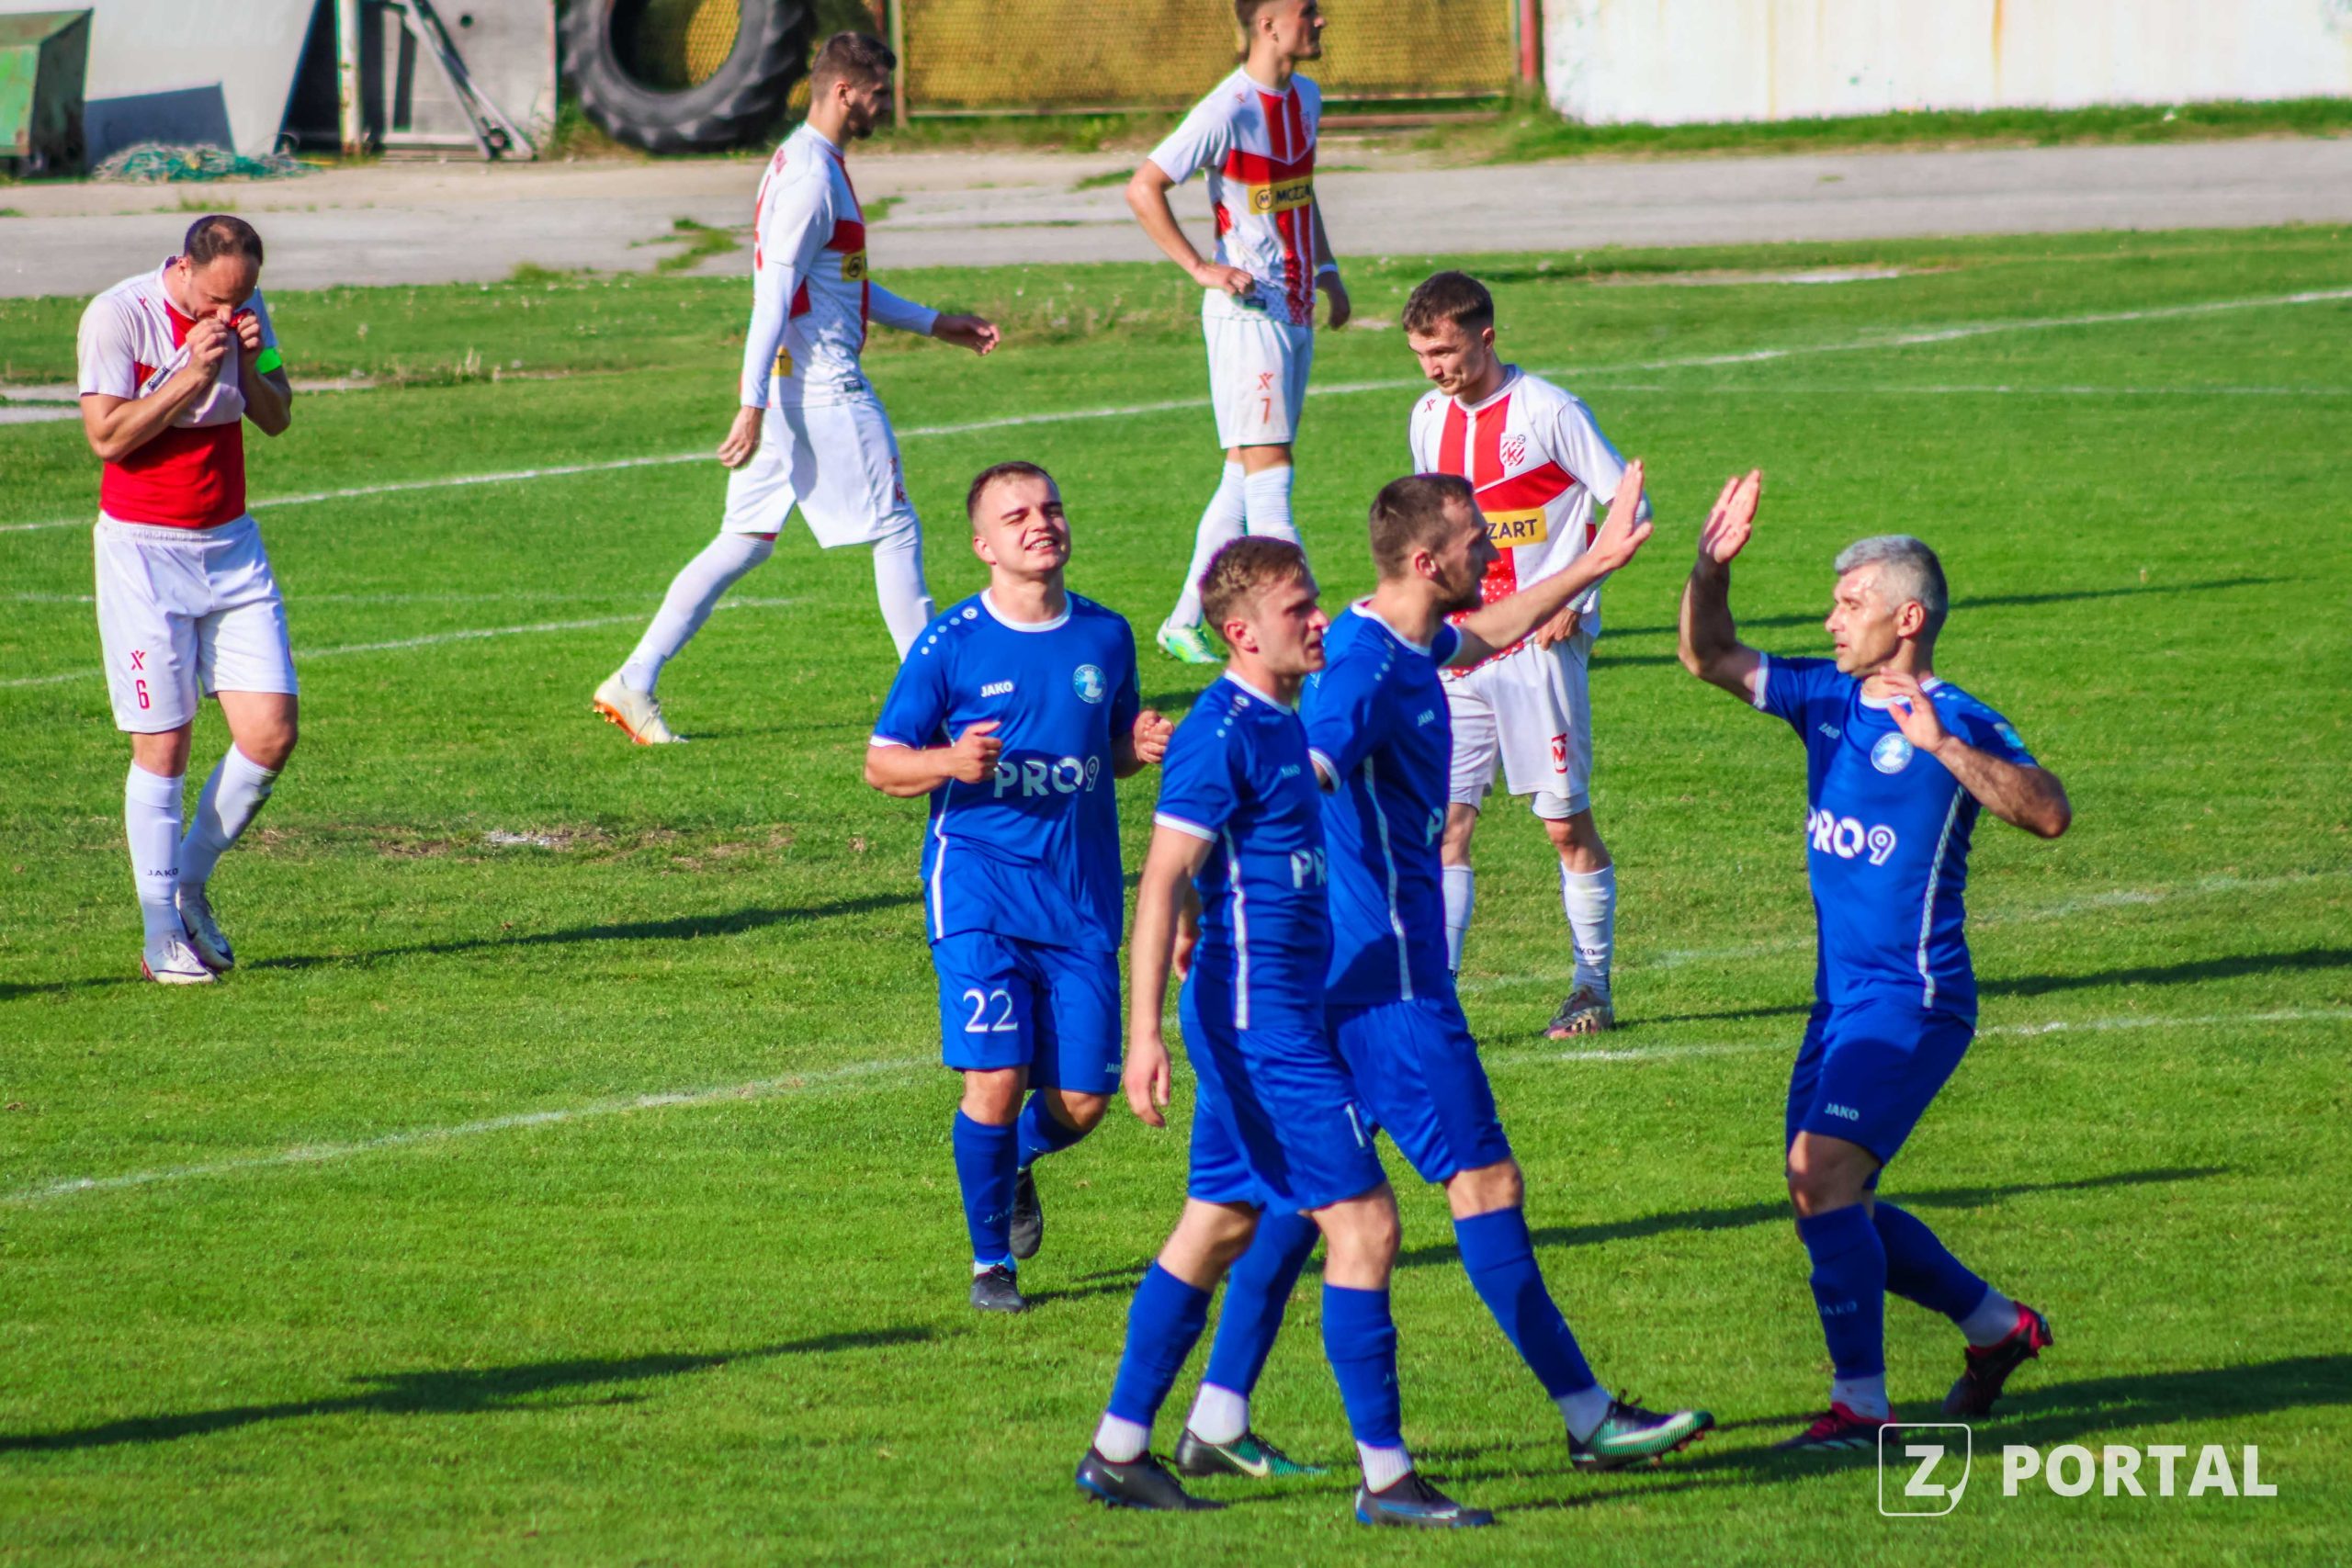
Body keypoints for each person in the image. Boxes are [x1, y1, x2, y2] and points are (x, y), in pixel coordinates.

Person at [1168, 469, 1717, 1482]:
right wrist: (1200, 884)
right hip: (1394, 988)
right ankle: (1586, 1417)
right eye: (1475, 542)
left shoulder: (1400, 636)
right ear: (1427, 561)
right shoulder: (1361, 674)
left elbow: (1484, 632)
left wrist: (1592, 563)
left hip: (1342, 978)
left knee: (1297, 1203)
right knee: (1482, 1182)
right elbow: (1303, 771)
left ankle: (1214, 1415)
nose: (1490, 553)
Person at [1077, 537, 1490, 1528]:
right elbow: (1161, 878)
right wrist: (1143, 1036)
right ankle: (1386, 1479)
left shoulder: (1280, 719)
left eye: (1314, 602)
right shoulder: (1219, 733)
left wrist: (1196, 923)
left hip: (1274, 1012)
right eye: (1298, 609)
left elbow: (1206, 877)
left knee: (1220, 1221)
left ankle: (1118, 1450)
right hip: (1259, 1028)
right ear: (1240, 632)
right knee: (1366, 1224)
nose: (1319, 620)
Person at [1677, 493, 2071, 1449]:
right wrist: (1710, 566)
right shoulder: (1822, 697)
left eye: (1849, 604)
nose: (1830, 620)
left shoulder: (1959, 719)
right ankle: (1996, 1326)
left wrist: (1944, 747)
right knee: (1824, 1194)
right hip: (1839, 1003)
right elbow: (1708, 655)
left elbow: (2048, 811)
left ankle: (1860, 1407)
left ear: (1908, 617)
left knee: (1821, 1175)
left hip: (1911, 998)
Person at [595, 31, 1001, 743]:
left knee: (743, 540)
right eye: (877, 94)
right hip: (821, 391)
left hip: (795, 394)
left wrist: (935, 322)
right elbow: (773, 298)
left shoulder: (806, 160)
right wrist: (749, 402)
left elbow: (842, 284)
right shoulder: (811, 178)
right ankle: (937, 711)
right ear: (844, 92)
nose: (885, 106)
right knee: (895, 528)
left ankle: (634, 679)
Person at [865, 463, 1170, 1313]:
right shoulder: (950, 644)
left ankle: (1017, 1159)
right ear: (983, 546)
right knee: (995, 1078)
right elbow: (882, 763)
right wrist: (949, 761)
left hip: (1078, 898)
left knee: (1086, 1099)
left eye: (1051, 508)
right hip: (979, 889)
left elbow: (1107, 750)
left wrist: (1138, 745)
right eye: (1017, 516)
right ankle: (990, 1264)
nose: (1041, 523)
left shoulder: (1106, 635)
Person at [1403, 271, 1649, 1036]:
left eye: (1445, 351)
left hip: (1539, 648)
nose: (1434, 368)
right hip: (1460, 647)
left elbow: (1630, 504)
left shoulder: (1549, 411)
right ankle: (1437, 999)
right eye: (1422, 354)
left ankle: (1591, 986)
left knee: (1564, 826)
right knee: (1446, 822)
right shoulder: (1427, 418)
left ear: (1486, 337)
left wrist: (1578, 597)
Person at [77, 214, 297, 984]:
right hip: (144, 554)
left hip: (231, 546)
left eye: (240, 298)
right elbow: (106, 438)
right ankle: (159, 932)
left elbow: (278, 413)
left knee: (270, 733)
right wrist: (187, 379)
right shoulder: (118, 315)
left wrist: (251, 362)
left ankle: (190, 884)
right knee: (163, 747)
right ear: (183, 267)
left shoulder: (249, 311)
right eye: (213, 301)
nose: (226, 312)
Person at [1126, 0, 1348, 666]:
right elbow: (1144, 186)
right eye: (1308, 11)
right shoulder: (1227, 108)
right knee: (1270, 483)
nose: (1321, 21)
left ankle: (1181, 623)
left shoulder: (1305, 98)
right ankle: (1317, 637)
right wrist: (1201, 268)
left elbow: (1299, 193)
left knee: (1240, 475)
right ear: (1268, 25)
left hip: (1294, 309)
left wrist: (1328, 271)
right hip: (1248, 315)